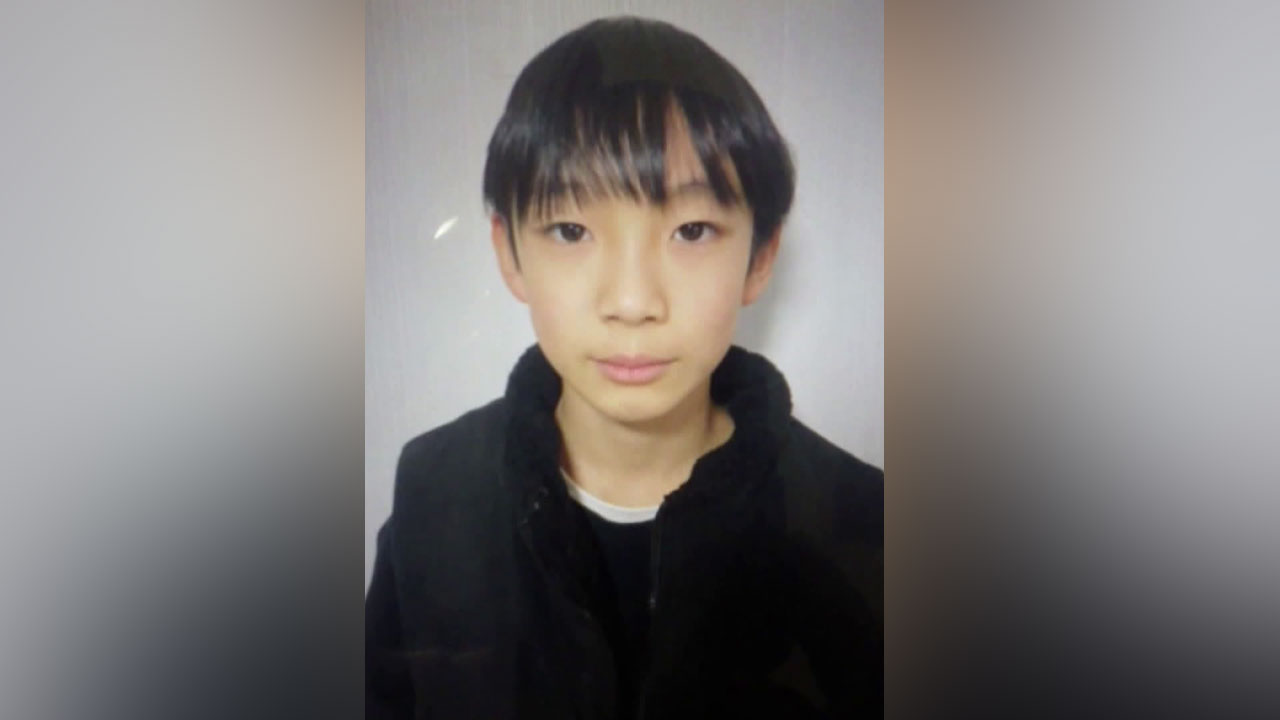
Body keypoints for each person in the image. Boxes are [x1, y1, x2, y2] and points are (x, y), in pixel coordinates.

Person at [366, 15, 882, 719]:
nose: (633, 302)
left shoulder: (863, 532)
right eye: (570, 230)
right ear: (509, 254)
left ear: (760, 257)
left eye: (691, 231)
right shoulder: (433, 498)